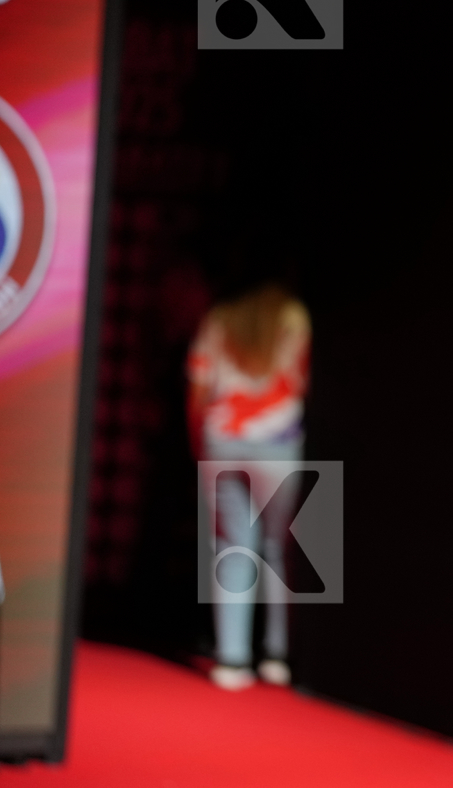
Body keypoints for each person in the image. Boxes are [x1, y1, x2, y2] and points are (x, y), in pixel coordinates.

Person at [187, 284, 310, 691]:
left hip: (222, 436)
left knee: (232, 546)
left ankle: (232, 659)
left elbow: (199, 386)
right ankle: (278, 654)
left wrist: (198, 443)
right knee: (283, 547)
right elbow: (302, 379)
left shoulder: (220, 317)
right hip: (279, 439)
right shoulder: (294, 315)